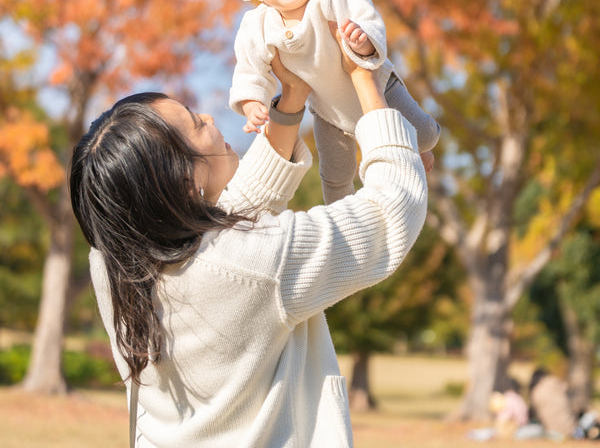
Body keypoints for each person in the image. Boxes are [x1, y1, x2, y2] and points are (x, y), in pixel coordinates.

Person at [69, 32, 428, 448]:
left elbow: (233, 215)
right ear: (185, 182)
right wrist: (365, 81)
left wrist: (291, 99)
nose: (209, 118)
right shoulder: (254, 262)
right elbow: (390, 213)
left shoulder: (114, 261)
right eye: (195, 123)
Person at [216, 0, 440, 203]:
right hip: (327, 110)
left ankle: (420, 150)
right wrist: (253, 101)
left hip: (378, 88)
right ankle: (344, 219)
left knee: (425, 134)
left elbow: (367, 19)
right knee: (335, 175)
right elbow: (249, 68)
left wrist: (362, 41)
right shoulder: (257, 25)